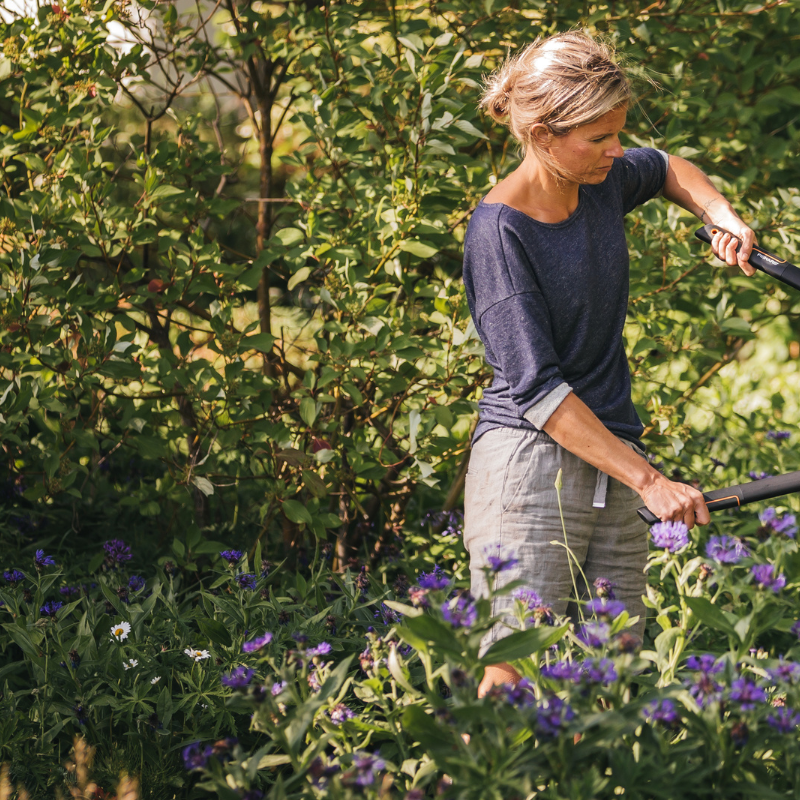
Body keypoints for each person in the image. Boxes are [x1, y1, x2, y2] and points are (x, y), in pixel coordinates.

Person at [461, 31, 756, 697]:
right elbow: (538, 391)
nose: (616, 151)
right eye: (598, 137)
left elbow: (668, 166)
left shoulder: (595, 180)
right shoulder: (500, 233)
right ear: (540, 132)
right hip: (529, 463)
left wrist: (721, 214)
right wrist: (651, 482)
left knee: (612, 674)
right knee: (514, 669)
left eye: (617, 134)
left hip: (611, 456)